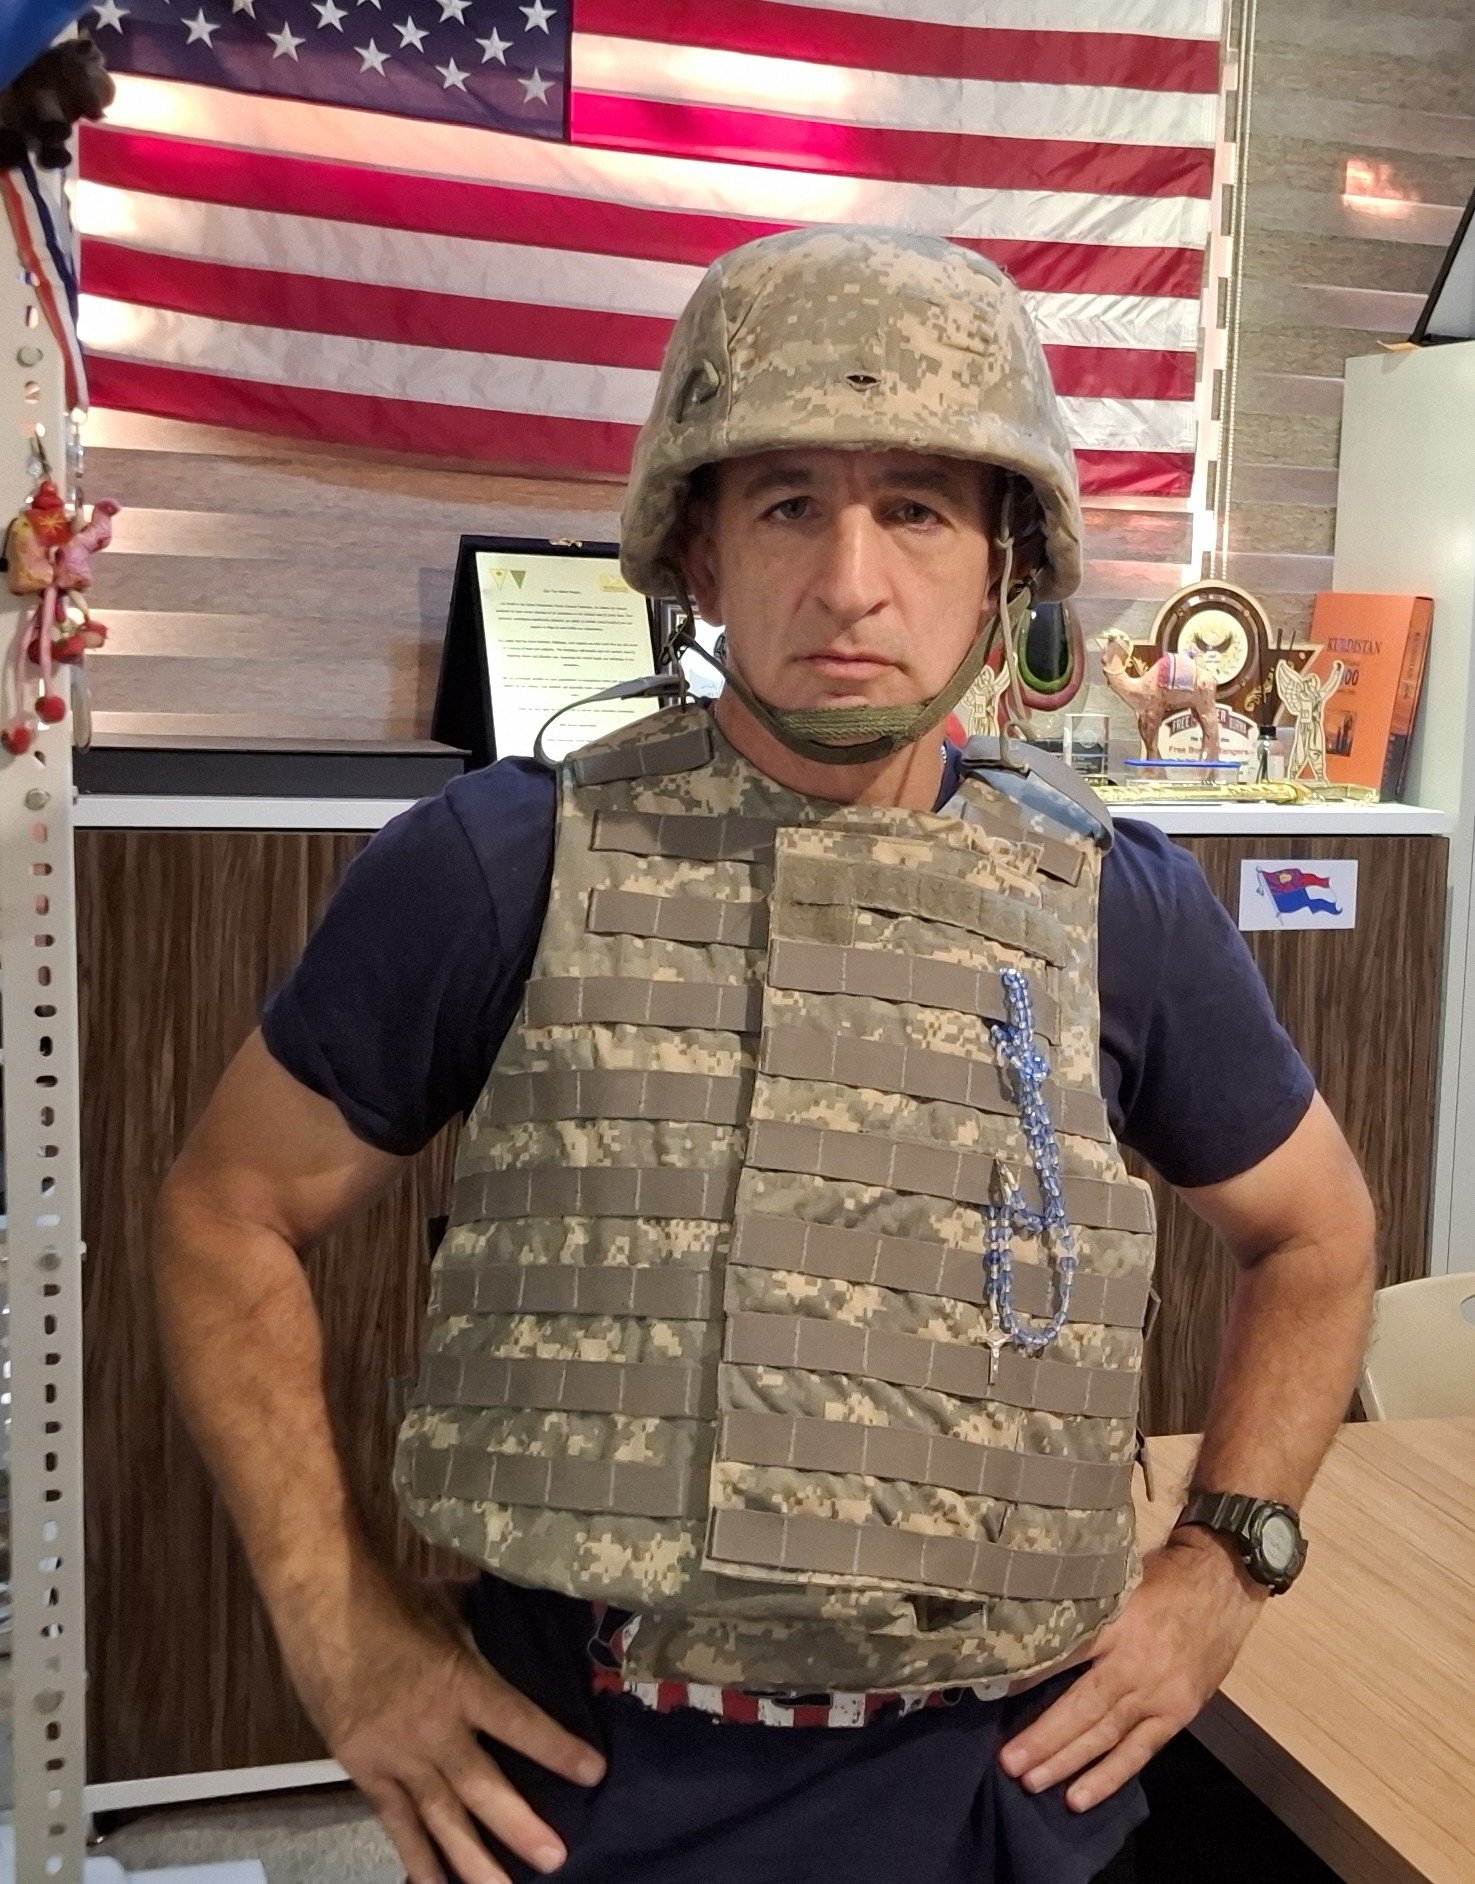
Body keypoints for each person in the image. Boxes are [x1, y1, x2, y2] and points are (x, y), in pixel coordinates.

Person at [154, 228, 1376, 1884]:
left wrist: (1225, 1567)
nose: (853, 582)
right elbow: (226, 1214)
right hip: (585, 1767)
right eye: (791, 501)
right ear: (699, 553)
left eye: (921, 508)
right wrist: (339, 1632)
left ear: (1006, 561)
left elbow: (1318, 1235)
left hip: (991, 1777)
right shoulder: (499, 861)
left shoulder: (1120, 909)